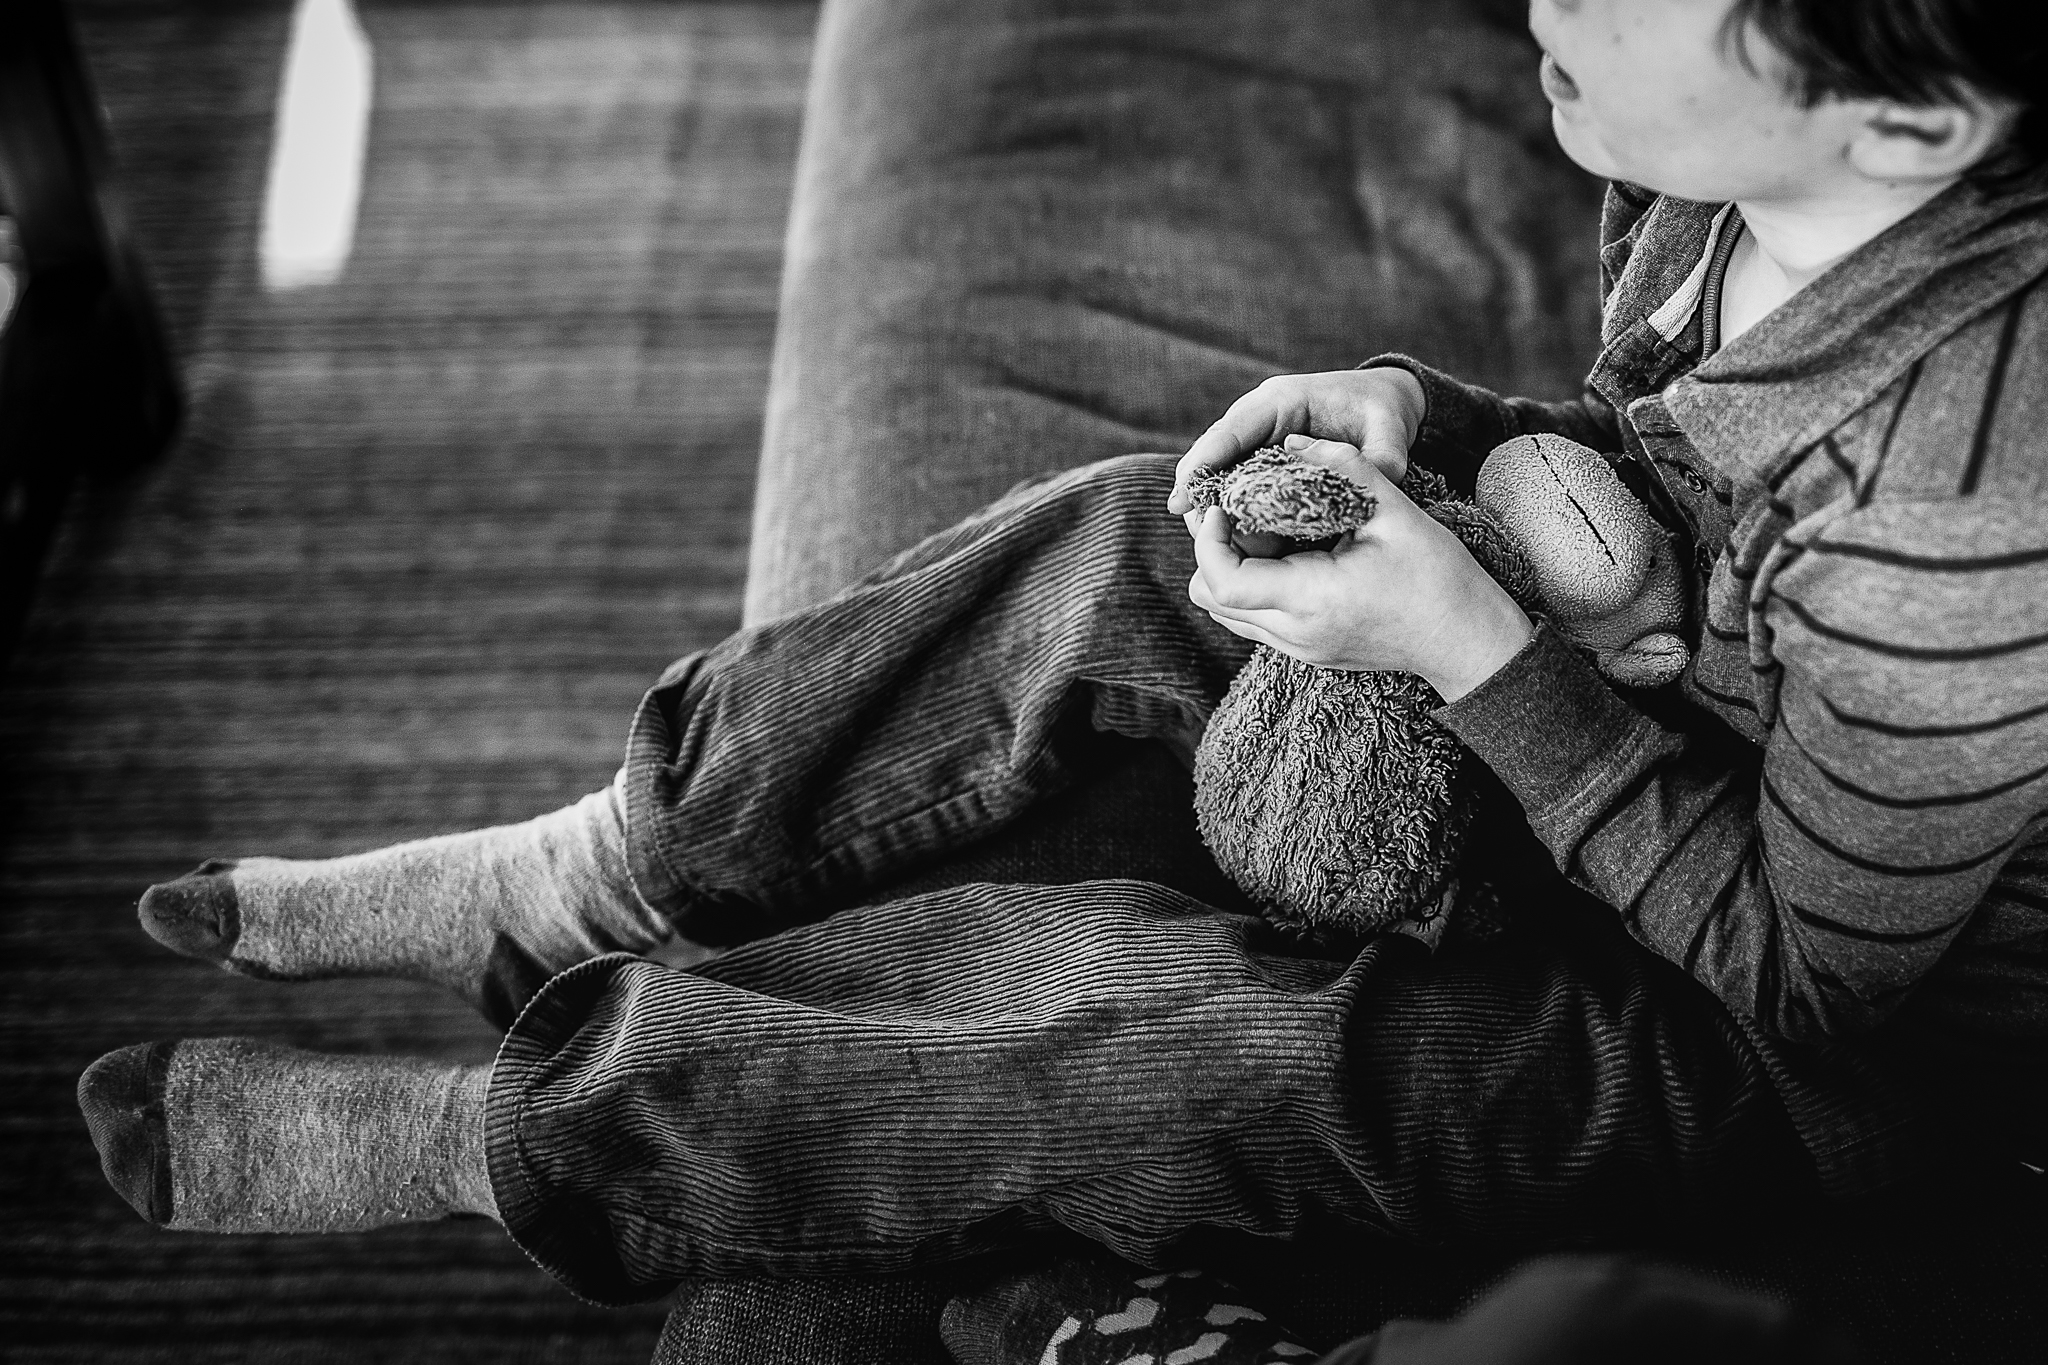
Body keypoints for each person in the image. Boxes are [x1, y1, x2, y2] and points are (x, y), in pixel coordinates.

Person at [78, 0, 2046, 1309]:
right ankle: (592, 869)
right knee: (1113, 541)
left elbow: (1817, 980)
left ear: (1910, 118)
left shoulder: (1972, 496)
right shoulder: (1738, 177)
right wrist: (1423, 421)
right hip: (1631, 705)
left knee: (1166, 1028)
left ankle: (510, 1132)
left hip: (1807, 1061)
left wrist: (1462, 643)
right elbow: (1637, 458)